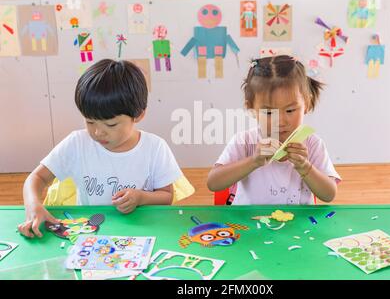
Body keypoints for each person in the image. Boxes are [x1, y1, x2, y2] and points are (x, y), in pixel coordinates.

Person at [18, 59, 183, 238]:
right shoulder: (77, 144)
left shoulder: (155, 148)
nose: (98, 132)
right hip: (87, 236)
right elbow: (37, 177)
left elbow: (167, 196)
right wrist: (33, 205)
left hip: (139, 234)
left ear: (138, 115)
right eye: (90, 121)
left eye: (111, 124)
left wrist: (141, 198)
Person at [207, 55, 341, 205]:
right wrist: (253, 162)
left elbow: (329, 195)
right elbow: (213, 183)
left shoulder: (312, 144)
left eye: (290, 110)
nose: (281, 121)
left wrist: (305, 167)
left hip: (297, 225)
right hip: (249, 224)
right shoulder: (244, 141)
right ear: (251, 109)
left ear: (307, 104)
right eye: (269, 113)